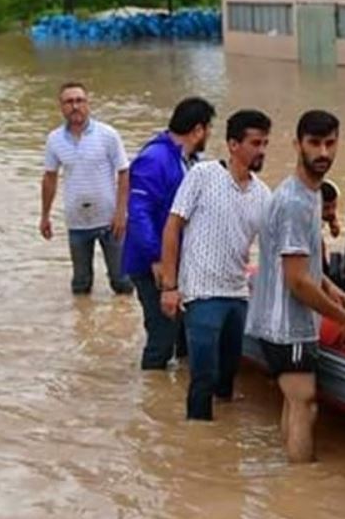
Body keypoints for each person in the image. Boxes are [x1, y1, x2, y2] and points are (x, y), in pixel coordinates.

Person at [247, 110, 345, 462]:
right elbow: (297, 281)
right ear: (297, 144)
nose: (323, 153)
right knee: (305, 405)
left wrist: (328, 284)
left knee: (295, 402)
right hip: (287, 326)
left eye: (330, 143)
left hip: (278, 321)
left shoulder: (308, 193)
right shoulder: (294, 203)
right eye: (315, 143)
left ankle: (287, 482)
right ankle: (300, 484)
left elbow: (300, 262)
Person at [159, 109, 273, 420]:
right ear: (233, 145)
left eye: (265, 143)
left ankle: (223, 442)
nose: (261, 150)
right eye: (255, 143)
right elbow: (172, 227)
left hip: (237, 294)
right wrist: (170, 287)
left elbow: (273, 248)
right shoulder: (203, 175)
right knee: (203, 376)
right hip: (201, 294)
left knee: (228, 374)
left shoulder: (263, 194)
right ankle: (198, 442)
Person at [123, 96, 216, 370]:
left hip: (178, 260)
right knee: (162, 336)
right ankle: (152, 396)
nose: (209, 135)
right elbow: (139, 214)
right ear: (198, 130)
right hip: (153, 264)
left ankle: (173, 396)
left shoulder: (188, 160)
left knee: (181, 333)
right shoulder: (154, 159)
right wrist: (158, 258)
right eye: (209, 129)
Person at [39, 81, 132, 296]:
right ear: (61, 107)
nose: (75, 106)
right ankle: (82, 325)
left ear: (88, 104)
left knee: (121, 281)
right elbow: (50, 178)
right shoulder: (54, 140)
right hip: (77, 221)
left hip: (110, 220)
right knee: (81, 284)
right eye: (69, 102)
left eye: (79, 100)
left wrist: (121, 213)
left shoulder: (107, 134)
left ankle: (124, 323)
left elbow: (124, 172)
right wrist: (45, 216)